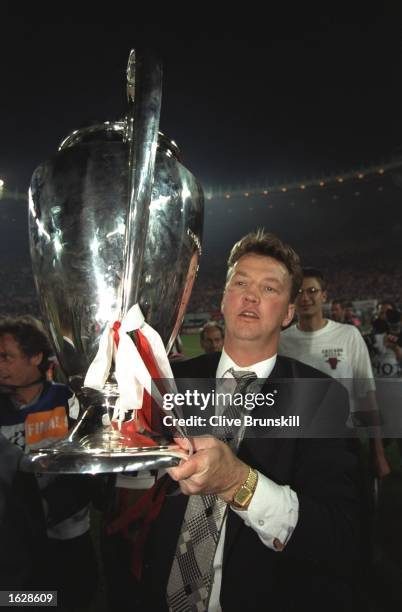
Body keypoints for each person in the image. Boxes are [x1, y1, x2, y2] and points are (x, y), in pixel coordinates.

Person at [129, 231, 362, 612]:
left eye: (269, 288)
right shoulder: (168, 382)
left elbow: (338, 533)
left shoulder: (320, 396)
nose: (251, 296)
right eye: (240, 283)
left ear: (288, 313)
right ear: (223, 299)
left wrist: (240, 483)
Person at [0, 316, 97, 608]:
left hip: (69, 543)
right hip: (15, 551)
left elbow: (90, 473)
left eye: (6, 357)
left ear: (36, 357)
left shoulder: (69, 401)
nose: (0, 366)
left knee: (72, 601)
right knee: (26, 603)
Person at [279, 267, 390, 479]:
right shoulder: (282, 342)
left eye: (312, 290)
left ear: (324, 295)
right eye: (299, 292)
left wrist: (378, 451)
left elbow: (367, 395)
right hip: (300, 443)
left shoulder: (349, 335)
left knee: (351, 507)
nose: (305, 297)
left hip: (344, 439)